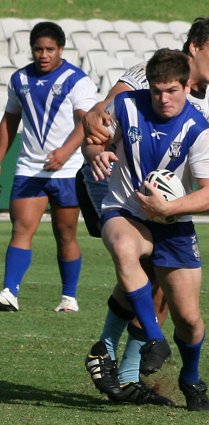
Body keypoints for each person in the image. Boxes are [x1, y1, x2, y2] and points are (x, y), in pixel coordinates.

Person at [80, 17, 209, 405]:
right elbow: (96, 120)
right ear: (195, 48)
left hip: (169, 208)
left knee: (166, 293)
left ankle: (129, 369)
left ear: (184, 88)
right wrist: (95, 147)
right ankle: (107, 349)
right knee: (133, 258)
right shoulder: (145, 76)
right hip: (118, 192)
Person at [0, 21, 97, 312]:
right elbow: (9, 122)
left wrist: (65, 153)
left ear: (61, 49)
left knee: (65, 233)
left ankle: (69, 298)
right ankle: (9, 292)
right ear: (31, 50)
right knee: (21, 228)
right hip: (30, 168)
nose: (43, 54)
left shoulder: (77, 80)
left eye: (49, 49)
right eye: (38, 49)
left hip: (67, 171)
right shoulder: (19, 80)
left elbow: (86, 121)